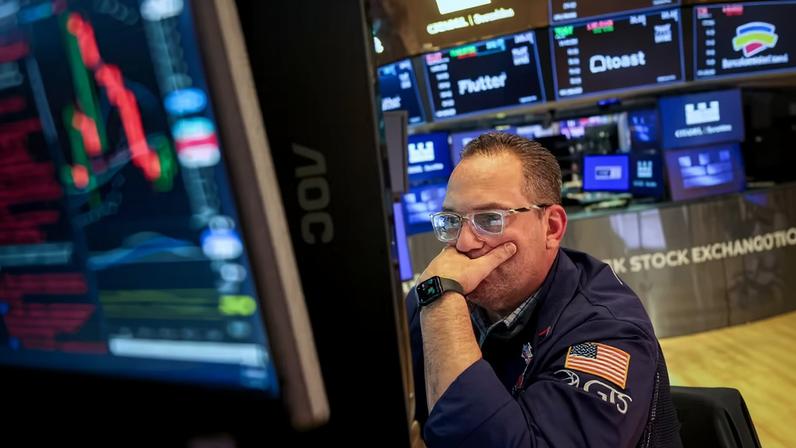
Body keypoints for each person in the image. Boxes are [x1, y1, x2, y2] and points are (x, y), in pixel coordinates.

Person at [406, 132, 681, 447]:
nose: (464, 243)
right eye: (452, 221)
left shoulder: (609, 332)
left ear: (551, 228)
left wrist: (443, 307)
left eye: (489, 219)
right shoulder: (431, 301)